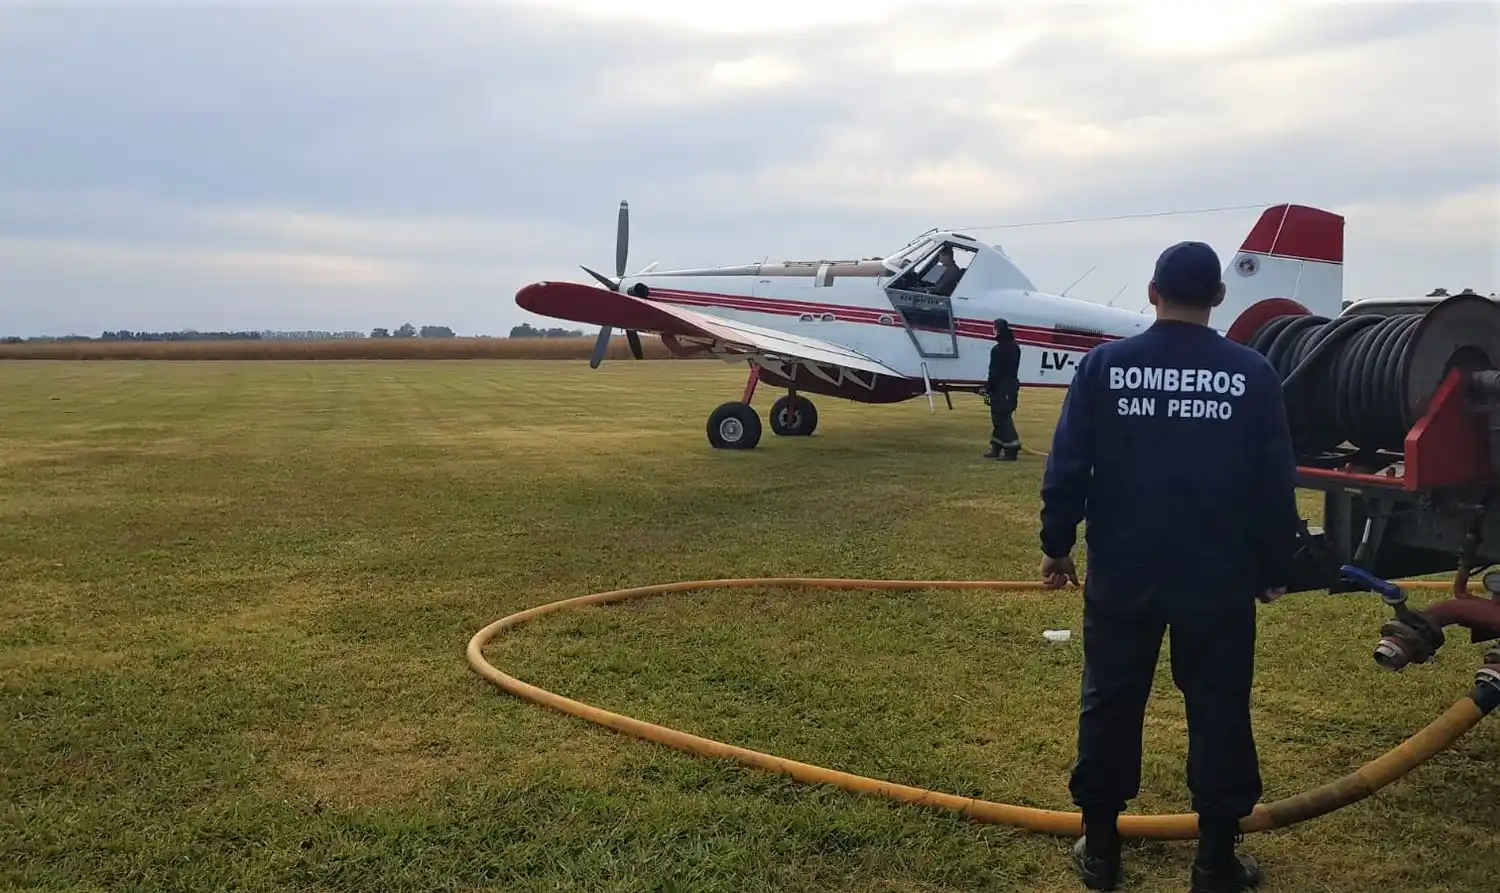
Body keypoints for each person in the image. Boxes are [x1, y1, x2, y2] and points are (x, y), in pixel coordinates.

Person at [1036, 241, 1300, 892]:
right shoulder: (1251, 373)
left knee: (1110, 700)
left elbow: (1069, 466)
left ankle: (1101, 849)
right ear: (1219, 296)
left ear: (1153, 293)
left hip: (1124, 571)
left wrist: (1057, 544)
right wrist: (1274, 564)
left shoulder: (1104, 367)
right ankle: (1215, 859)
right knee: (1219, 707)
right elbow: (1273, 484)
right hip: (1217, 577)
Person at [983, 318, 1022, 460]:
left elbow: (994, 372)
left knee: (1002, 419)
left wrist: (988, 389)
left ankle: (1012, 449)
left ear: (997, 329)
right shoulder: (1015, 347)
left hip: (1001, 390)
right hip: (1011, 388)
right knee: (999, 419)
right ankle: (996, 447)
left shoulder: (998, 350)